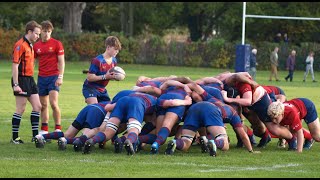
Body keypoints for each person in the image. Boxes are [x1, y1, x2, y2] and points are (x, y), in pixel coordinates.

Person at [10, 20, 42, 144]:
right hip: (21, 79)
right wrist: (16, 84)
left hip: (30, 79)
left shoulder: (30, 44)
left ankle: (35, 136)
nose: (38, 37)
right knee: (21, 108)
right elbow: (14, 66)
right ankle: (15, 137)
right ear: (29, 32)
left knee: (38, 106)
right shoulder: (20, 44)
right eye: (37, 34)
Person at [33, 101, 111, 150]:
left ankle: (41, 137)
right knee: (84, 138)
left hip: (87, 108)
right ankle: (65, 141)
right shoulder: (118, 107)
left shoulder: (112, 102)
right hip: (96, 112)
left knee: (68, 134)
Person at [33, 20, 65, 134]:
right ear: (40, 31)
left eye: (49, 31)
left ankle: (58, 128)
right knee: (43, 105)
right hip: (41, 77)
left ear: (51, 32)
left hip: (54, 77)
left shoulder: (57, 44)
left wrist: (60, 77)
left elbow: (61, 62)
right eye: (44, 31)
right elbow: (33, 61)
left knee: (53, 103)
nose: (46, 34)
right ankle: (44, 129)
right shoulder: (36, 46)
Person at [82, 36, 122, 104]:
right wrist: (105, 77)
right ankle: (90, 99)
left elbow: (108, 76)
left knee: (107, 110)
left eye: (118, 50)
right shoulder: (97, 60)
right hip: (90, 88)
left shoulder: (114, 61)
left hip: (102, 89)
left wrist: (115, 77)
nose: (117, 52)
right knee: (94, 109)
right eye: (115, 49)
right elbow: (89, 78)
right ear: (108, 47)